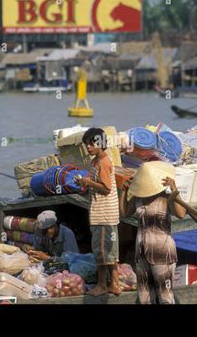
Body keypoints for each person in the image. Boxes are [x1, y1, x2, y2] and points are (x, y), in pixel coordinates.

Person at [119, 161, 186, 304]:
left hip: (162, 253)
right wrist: (123, 192)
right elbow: (124, 213)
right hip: (142, 252)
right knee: (145, 298)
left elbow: (181, 214)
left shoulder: (166, 197)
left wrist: (175, 192)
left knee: (165, 297)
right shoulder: (138, 198)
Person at [76, 127, 122, 296]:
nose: (88, 147)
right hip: (101, 214)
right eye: (86, 144)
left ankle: (103, 285)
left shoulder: (103, 162)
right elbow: (97, 185)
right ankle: (115, 284)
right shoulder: (96, 161)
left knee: (101, 252)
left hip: (104, 216)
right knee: (109, 252)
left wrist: (87, 182)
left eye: (91, 144)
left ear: (101, 144)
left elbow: (106, 188)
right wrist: (84, 184)